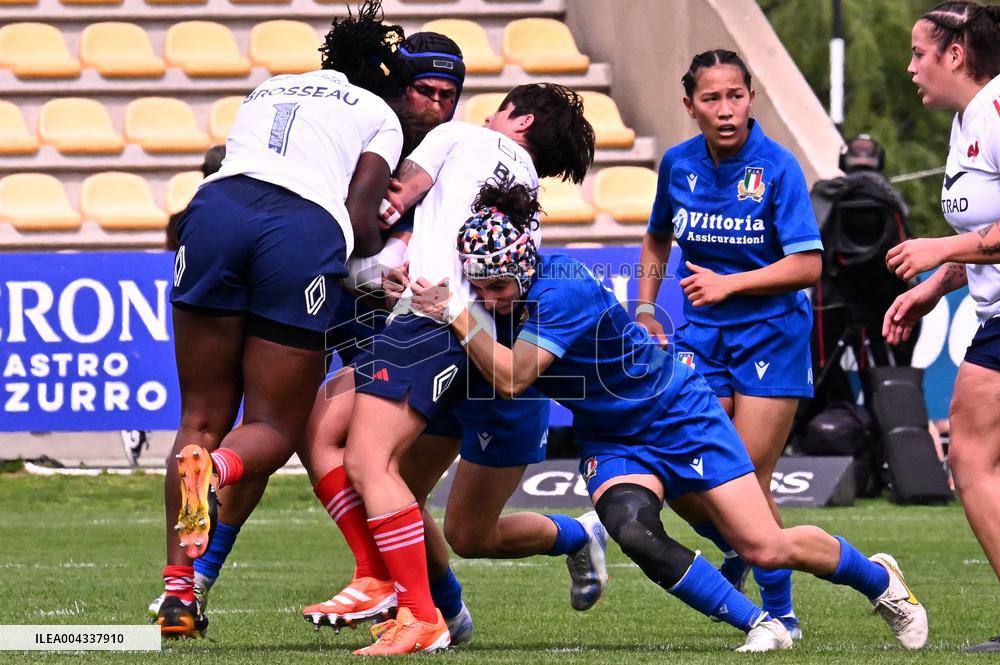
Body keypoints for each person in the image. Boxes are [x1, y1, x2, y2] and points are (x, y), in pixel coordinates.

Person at [411, 178, 929, 653]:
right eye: (476, 286)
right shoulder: (499, 297)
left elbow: (514, 377)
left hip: (678, 415)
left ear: (525, 265)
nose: (486, 297)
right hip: (613, 439)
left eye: (497, 286)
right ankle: (762, 625)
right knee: (633, 530)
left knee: (763, 546)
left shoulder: (560, 289)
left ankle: (880, 581)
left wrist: (456, 311)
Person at [158, 30, 477, 640]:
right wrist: (378, 263)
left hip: (225, 221)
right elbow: (357, 224)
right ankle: (408, 598)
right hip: (314, 256)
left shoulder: (272, 87)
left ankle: (181, 589)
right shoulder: (383, 124)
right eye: (421, 91)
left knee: (206, 420)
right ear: (391, 83)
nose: (433, 106)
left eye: (446, 96)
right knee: (286, 429)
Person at [335, 83, 595, 655]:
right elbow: (493, 283)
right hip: (470, 339)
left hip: (432, 326)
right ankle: (437, 608)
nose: (487, 113)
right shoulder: (526, 189)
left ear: (518, 118)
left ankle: (412, 606)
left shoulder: (459, 135)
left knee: (359, 457)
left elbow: (393, 197)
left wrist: (343, 236)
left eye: (500, 107)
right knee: (403, 488)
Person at [635, 49, 822, 638]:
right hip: (703, 336)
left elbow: (809, 265)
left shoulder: (778, 166)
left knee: (745, 478)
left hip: (773, 334)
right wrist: (645, 308)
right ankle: (743, 548)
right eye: (711, 99)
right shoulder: (678, 164)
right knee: (697, 474)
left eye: (736, 95)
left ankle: (782, 614)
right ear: (690, 105)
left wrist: (729, 283)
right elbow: (656, 238)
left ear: (751, 98)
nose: (725, 109)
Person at [883, 0, 1000, 653]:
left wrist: (938, 248)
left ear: (956, 54)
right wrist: (933, 285)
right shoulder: (965, 123)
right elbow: (982, 237)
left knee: (973, 461)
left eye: (919, 52)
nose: (910, 67)